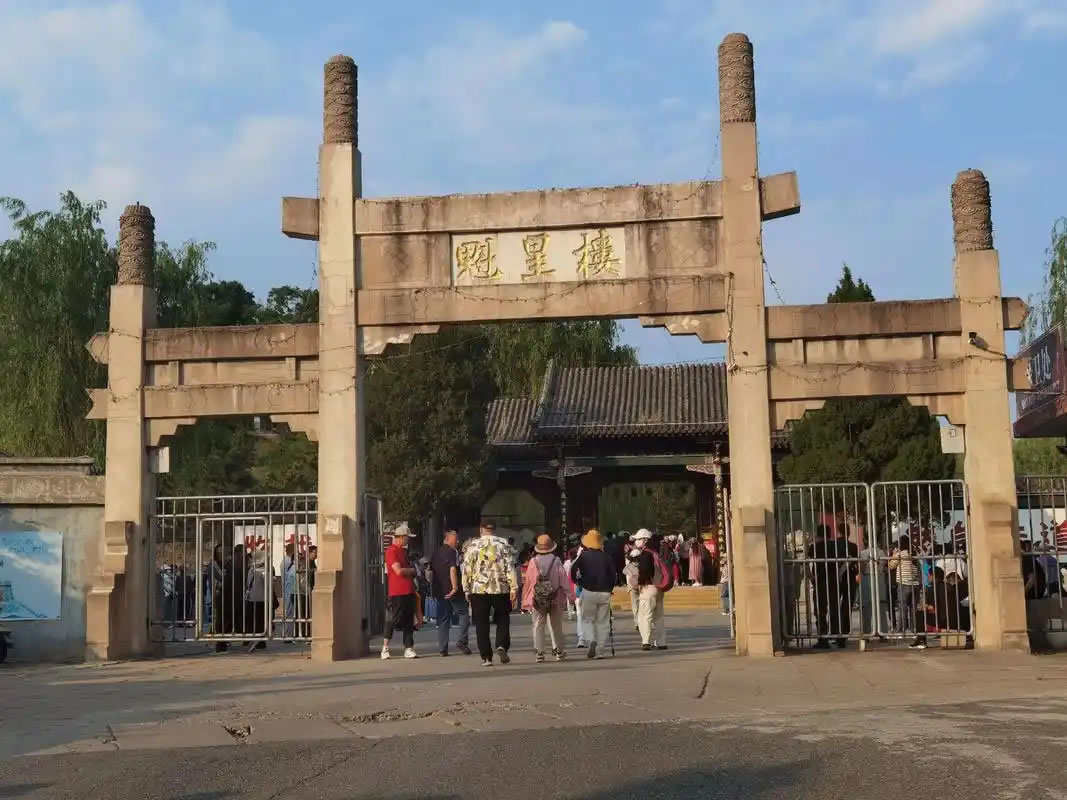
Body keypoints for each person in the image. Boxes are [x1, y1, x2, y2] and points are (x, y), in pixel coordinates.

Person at [462, 521, 517, 666]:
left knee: (481, 623)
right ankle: (501, 645)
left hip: (479, 589)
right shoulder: (503, 544)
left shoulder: (473, 546)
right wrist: (513, 587)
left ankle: (486, 657)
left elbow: (467, 568)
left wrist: (466, 589)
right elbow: (510, 567)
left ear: (481, 530)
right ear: (494, 530)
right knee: (503, 618)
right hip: (500, 587)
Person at [521, 534, 572, 662]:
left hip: (538, 598)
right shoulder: (556, 560)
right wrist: (570, 595)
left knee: (538, 625)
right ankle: (559, 651)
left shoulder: (533, 562)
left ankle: (539, 652)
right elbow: (563, 580)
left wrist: (525, 600)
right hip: (555, 597)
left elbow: (528, 583)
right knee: (556, 625)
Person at [570, 529, 616, 659]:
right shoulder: (606, 557)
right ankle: (600, 651)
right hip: (604, 592)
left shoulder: (583, 556)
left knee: (587, 619)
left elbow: (573, 569)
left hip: (588, 590)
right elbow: (613, 575)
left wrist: (577, 581)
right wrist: (610, 588)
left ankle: (591, 639)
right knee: (602, 622)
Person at [430, 529, 471, 656]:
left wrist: (433, 590)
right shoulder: (452, 552)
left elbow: (431, 572)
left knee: (443, 618)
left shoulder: (435, 552)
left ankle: (443, 648)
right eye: (455, 539)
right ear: (447, 539)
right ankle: (462, 640)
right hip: (452, 590)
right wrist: (454, 587)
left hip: (440, 590)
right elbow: (452, 570)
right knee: (464, 613)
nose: (457, 542)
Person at [381, 523, 419, 659]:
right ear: (401, 537)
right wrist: (412, 571)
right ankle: (385, 648)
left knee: (408, 621)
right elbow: (398, 571)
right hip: (397, 592)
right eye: (407, 537)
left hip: (408, 590)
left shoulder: (403, 552)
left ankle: (409, 647)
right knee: (393, 620)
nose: (408, 540)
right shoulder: (392, 551)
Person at [634, 529, 667, 650]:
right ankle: (661, 642)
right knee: (659, 617)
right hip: (659, 588)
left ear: (644, 540)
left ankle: (646, 641)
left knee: (645, 615)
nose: (636, 541)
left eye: (638, 539)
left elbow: (644, 571)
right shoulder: (656, 552)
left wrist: (639, 582)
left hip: (648, 587)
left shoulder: (646, 554)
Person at [858, 533, 889, 641]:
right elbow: (884, 566)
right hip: (879, 578)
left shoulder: (863, 553)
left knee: (866, 608)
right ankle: (882, 633)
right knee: (880, 607)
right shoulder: (881, 552)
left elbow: (861, 569)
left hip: (867, 578)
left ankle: (866, 634)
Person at [244, 549, 272, 650]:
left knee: (254, 621)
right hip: (262, 599)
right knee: (261, 621)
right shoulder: (263, 570)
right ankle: (260, 642)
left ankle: (254, 639)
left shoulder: (251, 570)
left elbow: (248, 583)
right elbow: (268, 584)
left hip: (251, 598)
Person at [623, 532, 642, 632]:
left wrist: (628, 585)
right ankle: (642, 622)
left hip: (631, 585)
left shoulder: (628, 561)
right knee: (642, 605)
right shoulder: (642, 561)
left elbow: (625, 572)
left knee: (635, 605)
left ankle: (637, 622)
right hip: (642, 584)